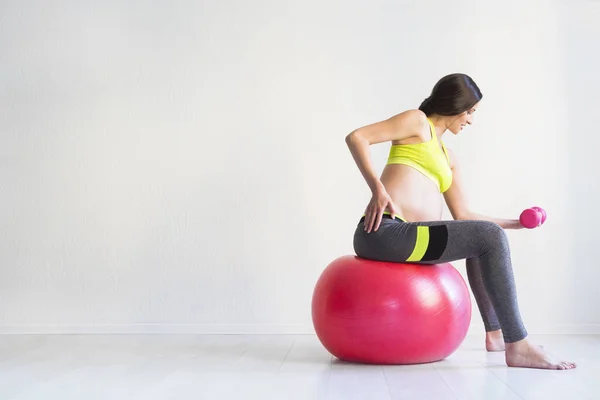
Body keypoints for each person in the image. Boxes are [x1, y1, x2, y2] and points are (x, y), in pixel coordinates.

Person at [345, 73, 576, 370]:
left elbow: (464, 216)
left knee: (484, 238)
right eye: (469, 112)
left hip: (413, 239)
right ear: (454, 105)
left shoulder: (449, 157)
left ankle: (495, 335)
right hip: (384, 232)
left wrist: (514, 223)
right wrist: (377, 188)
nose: (470, 120)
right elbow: (357, 137)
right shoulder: (417, 122)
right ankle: (518, 344)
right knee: (486, 237)